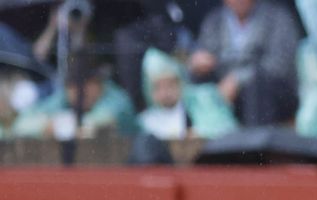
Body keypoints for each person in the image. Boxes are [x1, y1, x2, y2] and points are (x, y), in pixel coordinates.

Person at [190, 0, 301, 127]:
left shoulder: (277, 17)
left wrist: (239, 79)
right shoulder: (214, 21)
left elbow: (279, 64)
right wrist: (198, 63)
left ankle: (254, 141)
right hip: (225, 89)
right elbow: (204, 52)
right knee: (199, 84)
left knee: (257, 87)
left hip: (270, 91)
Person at [10, 56, 138, 139]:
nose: (81, 90)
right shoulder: (63, 97)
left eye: (88, 82)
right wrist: (47, 126)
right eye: (73, 84)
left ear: (99, 83)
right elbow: (20, 125)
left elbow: (103, 120)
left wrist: (65, 126)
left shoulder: (118, 99)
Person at [137, 47, 238, 139]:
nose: (165, 92)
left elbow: (227, 129)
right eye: (158, 87)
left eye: (170, 84)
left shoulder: (202, 100)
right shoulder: (144, 122)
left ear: (180, 83)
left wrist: (201, 133)